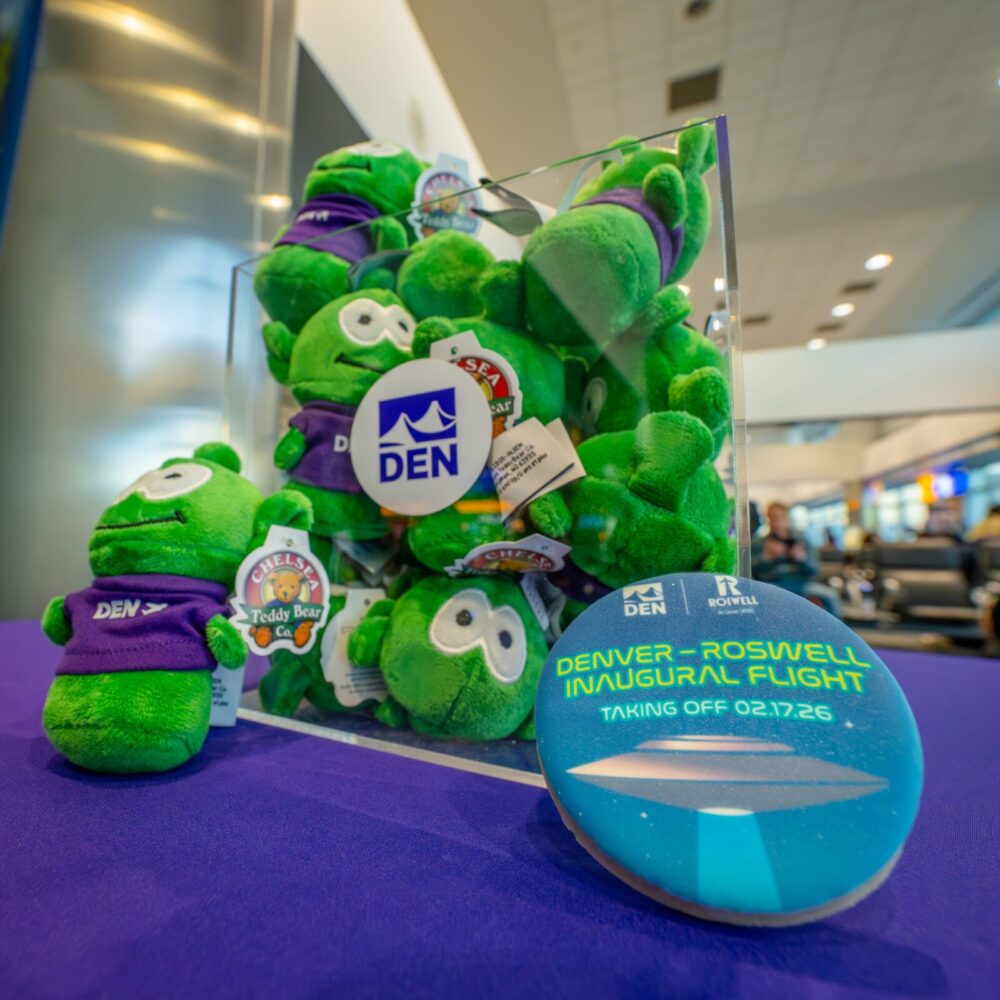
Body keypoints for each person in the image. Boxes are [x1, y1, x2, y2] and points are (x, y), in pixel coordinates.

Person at [751, 501, 841, 615]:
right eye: (773, 518)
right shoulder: (758, 543)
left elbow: (814, 569)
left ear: (788, 519)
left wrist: (802, 560)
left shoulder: (802, 541)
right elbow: (750, 571)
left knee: (831, 595)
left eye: (780, 518)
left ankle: (837, 627)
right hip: (771, 585)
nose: (777, 522)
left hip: (800, 585)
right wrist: (766, 558)